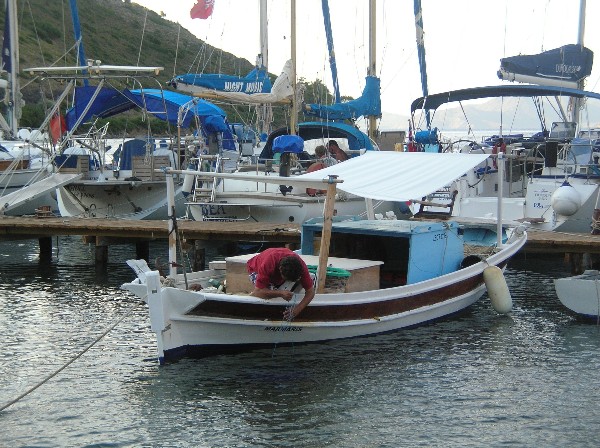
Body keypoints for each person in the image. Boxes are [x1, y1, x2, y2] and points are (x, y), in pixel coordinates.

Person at [247, 247, 316, 320]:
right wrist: (280, 293)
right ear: (280, 270)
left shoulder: (301, 267)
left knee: (311, 277)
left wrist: (297, 310)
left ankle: (280, 290)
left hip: (276, 271)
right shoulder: (269, 263)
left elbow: (310, 292)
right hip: (255, 268)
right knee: (267, 294)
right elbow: (258, 292)